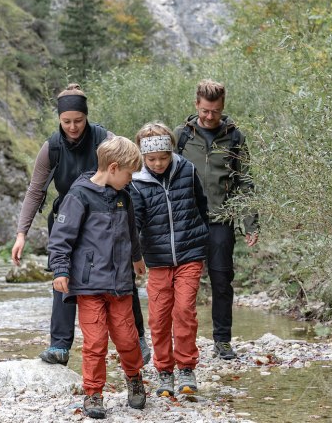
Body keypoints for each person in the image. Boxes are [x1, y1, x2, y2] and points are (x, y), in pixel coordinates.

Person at [11, 83, 150, 366]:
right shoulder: (51, 147)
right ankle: (60, 346)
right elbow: (35, 190)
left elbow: (128, 174)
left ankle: (137, 338)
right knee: (62, 276)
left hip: (107, 216)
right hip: (69, 218)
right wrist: (21, 233)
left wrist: (137, 247)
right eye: (66, 122)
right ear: (59, 120)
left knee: (122, 273)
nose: (73, 127)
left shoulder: (105, 139)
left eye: (78, 121)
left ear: (86, 117)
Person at [47, 136, 147, 419]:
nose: (131, 180)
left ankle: (134, 378)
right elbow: (60, 239)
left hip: (120, 285)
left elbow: (131, 232)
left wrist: (137, 259)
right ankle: (93, 393)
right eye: (129, 174)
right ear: (114, 168)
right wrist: (60, 270)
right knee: (95, 342)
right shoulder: (78, 197)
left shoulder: (123, 197)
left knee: (128, 338)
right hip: (89, 286)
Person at [172, 79, 259, 360]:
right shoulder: (181, 137)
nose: (210, 117)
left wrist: (250, 223)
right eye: (206, 110)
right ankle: (183, 343)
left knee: (222, 281)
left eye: (216, 111)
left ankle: (222, 341)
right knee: (184, 285)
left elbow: (245, 182)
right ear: (196, 104)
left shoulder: (235, 138)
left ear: (223, 107)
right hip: (187, 221)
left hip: (221, 220)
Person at [128, 122, 209, 397]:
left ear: (171, 151)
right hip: (157, 260)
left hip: (190, 254)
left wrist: (204, 239)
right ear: (142, 156)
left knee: (184, 311)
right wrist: (134, 255)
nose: (158, 163)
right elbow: (135, 222)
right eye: (152, 159)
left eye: (163, 157)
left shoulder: (186, 169)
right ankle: (165, 371)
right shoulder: (136, 182)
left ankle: (186, 367)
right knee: (160, 318)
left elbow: (201, 203)